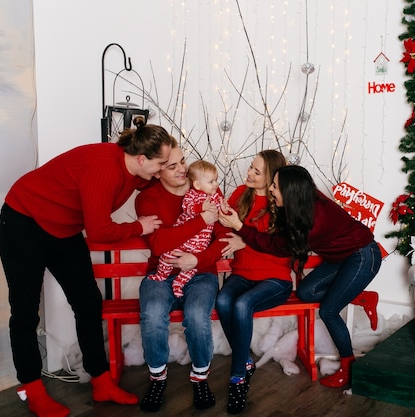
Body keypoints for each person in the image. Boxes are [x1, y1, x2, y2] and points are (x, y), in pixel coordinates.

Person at [0, 117, 174, 417]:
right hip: (23, 222)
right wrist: (138, 226)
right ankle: (33, 389)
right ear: (142, 158)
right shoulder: (105, 168)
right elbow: (100, 232)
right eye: (162, 163)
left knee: (89, 303)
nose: (163, 168)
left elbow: (162, 180)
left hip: (62, 230)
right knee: (25, 311)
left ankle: (101, 381)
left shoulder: (139, 172)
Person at [218, 165, 382, 388]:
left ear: (290, 193)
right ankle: (359, 295)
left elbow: (277, 246)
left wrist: (239, 227)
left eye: (275, 186)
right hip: (340, 258)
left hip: (362, 256)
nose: (271, 189)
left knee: (329, 310)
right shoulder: (304, 200)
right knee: (306, 292)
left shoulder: (312, 223)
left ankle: (348, 367)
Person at [135, 146, 228, 412]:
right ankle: (158, 379)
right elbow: (158, 243)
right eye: (171, 165)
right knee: (152, 314)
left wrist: (197, 260)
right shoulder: (147, 199)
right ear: (156, 171)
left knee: (198, 316)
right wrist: (202, 220)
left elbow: (222, 237)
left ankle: (200, 378)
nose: (182, 169)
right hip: (162, 271)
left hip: (201, 273)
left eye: (183, 162)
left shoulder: (208, 189)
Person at [215, 149, 292, 414]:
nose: (249, 173)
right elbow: (223, 227)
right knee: (224, 300)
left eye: (257, 172)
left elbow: (277, 247)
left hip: (275, 278)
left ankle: (237, 380)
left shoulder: (283, 204)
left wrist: (243, 238)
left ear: (270, 177)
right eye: (251, 167)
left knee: (242, 305)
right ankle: (246, 360)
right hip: (241, 274)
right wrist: (229, 228)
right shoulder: (240, 194)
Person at [148, 160, 224, 297]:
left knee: (191, 268)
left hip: (200, 244)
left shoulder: (216, 196)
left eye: (216, 180)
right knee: (167, 256)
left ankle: (179, 283)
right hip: (182, 242)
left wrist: (225, 210)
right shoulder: (192, 195)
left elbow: (223, 216)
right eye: (211, 181)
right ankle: (161, 275)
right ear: (197, 184)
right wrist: (202, 210)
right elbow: (187, 208)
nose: (216, 184)